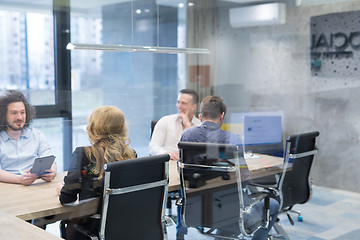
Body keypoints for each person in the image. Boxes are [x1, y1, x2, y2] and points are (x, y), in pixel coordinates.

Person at [180, 96, 280, 240]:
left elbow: (184, 175)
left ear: (200, 117)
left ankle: (222, 235)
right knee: (273, 204)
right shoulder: (232, 140)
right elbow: (244, 179)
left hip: (196, 212)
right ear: (222, 116)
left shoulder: (187, 136)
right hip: (231, 214)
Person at [57, 106, 137, 239]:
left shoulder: (83, 155)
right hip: (124, 228)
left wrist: (62, 190)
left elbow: (66, 199)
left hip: (92, 229)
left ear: (93, 128)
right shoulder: (131, 155)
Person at [0, 89, 56, 186]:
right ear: (4, 115)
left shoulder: (37, 135)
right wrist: (19, 179)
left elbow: (52, 162)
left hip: (36, 185)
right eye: (14, 113)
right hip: (8, 186)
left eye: (22, 112)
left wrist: (52, 172)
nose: (20, 117)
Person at [149, 89, 201, 160]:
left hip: (186, 165)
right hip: (166, 162)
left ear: (193, 107)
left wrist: (188, 125)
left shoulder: (199, 126)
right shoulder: (165, 120)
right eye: (178, 102)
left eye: (184, 103)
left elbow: (198, 151)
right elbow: (153, 147)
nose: (179, 106)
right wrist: (166, 153)